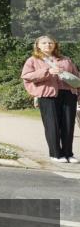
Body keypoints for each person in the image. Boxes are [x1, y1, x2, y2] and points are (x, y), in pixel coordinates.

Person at [21, 35, 80, 163]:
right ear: (38, 46)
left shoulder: (66, 59)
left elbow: (76, 77)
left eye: (50, 43)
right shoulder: (33, 60)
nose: (48, 45)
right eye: (44, 43)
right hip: (48, 95)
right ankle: (55, 154)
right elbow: (26, 76)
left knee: (68, 125)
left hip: (69, 94)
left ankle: (68, 154)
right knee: (52, 125)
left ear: (55, 45)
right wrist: (47, 71)